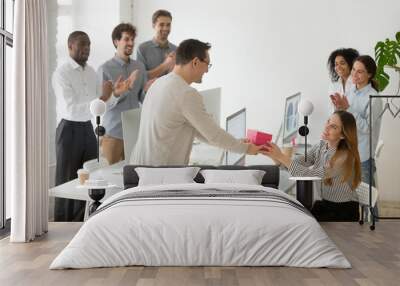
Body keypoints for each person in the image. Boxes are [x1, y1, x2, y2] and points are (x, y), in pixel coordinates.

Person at [130, 39, 264, 165]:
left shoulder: (159, 83)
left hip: (140, 169)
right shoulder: (186, 93)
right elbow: (214, 135)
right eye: (207, 64)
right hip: (160, 175)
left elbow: (202, 131)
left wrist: (237, 143)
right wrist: (247, 149)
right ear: (195, 62)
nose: (206, 70)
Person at [52, 31, 133, 221]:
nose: (86, 49)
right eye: (82, 44)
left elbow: (100, 107)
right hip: (68, 129)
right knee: (66, 179)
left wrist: (115, 94)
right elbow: (72, 109)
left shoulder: (91, 71)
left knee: (89, 178)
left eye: (88, 45)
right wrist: (103, 97)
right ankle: (63, 224)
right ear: (70, 46)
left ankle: (84, 221)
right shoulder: (61, 73)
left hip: (87, 129)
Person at [262, 111, 362, 221]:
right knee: (297, 217)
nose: (326, 127)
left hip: (344, 210)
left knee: (301, 221)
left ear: (343, 135)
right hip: (325, 204)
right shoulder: (321, 146)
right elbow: (299, 162)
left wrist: (281, 156)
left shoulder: (344, 158)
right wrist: (275, 156)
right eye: (328, 121)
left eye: (333, 126)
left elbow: (309, 174)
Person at [330, 55, 383, 219]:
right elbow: (346, 120)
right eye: (354, 70)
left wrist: (348, 108)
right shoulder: (351, 90)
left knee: (368, 196)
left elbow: (367, 128)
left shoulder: (374, 98)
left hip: (363, 155)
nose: (354, 74)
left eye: (360, 72)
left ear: (370, 75)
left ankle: (376, 227)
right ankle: (355, 224)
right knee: (352, 195)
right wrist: (339, 108)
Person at [98, 23, 147, 165]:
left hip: (134, 132)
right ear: (116, 41)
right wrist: (118, 93)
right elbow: (102, 106)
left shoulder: (139, 67)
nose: (131, 43)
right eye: (126, 39)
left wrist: (147, 91)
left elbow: (141, 99)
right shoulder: (105, 69)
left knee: (133, 177)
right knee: (110, 177)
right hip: (113, 134)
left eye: (132, 39)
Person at [136, 9, 177, 81]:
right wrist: (165, 65)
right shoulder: (142, 48)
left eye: (168, 25)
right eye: (161, 24)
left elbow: (178, 78)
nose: (165, 28)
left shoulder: (176, 50)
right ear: (153, 25)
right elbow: (141, 78)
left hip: (170, 92)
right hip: (150, 92)